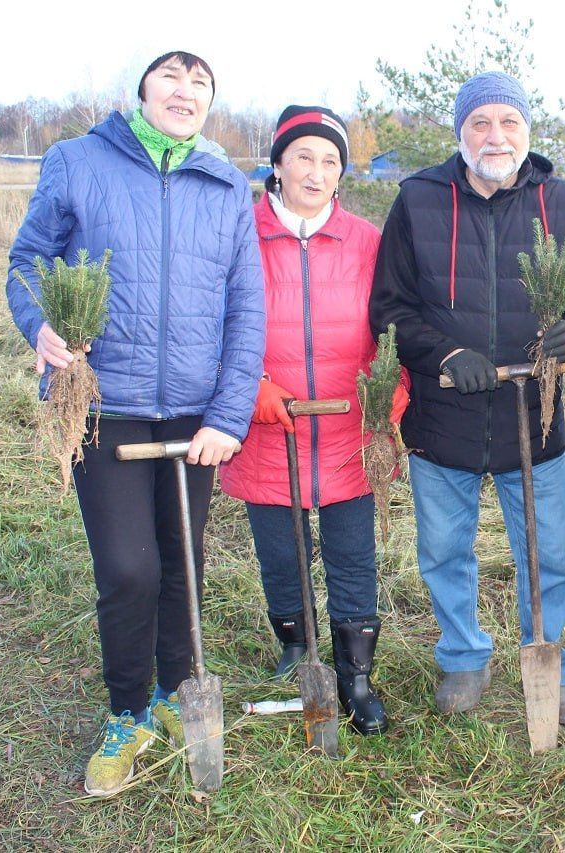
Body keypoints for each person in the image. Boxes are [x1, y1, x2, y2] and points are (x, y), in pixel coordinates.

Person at [5, 51, 263, 797]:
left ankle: (177, 692)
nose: (186, 91)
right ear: (141, 91)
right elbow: (29, 260)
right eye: (171, 77)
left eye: (201, 81)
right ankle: (127, 710)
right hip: (106, 404)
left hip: (195, 416)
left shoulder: (224, 182)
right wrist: (40, 327)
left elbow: (247, 305)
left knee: (182, 565)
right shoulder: (79, 162)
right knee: (129, 567)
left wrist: (229, 412)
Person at [369, 71, 565, 723]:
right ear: (460, 131)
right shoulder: (418, 200)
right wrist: (443, 353)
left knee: (548, 553)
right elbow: (389, 306)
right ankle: (464, 657)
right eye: (480, 122)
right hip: (444, 413)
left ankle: (548, 658)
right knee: (445, 548)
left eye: (509, 123)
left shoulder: (563, 201)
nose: (495, 136)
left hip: (535, 412)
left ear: (527, 131)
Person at [220, 105, 401, 736]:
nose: (316, 172)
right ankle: (297, 648)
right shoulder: (238, 236)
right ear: (277, 165)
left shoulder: (369, 243)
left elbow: (396, 335)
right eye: (303, 157)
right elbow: (211, 328)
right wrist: (248, 389)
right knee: (281, 552)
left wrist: (387, 401)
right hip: (270, 427)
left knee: (353, 555)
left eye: (330, 160)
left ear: (342, 173)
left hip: (348, 429)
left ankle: (355, 673)